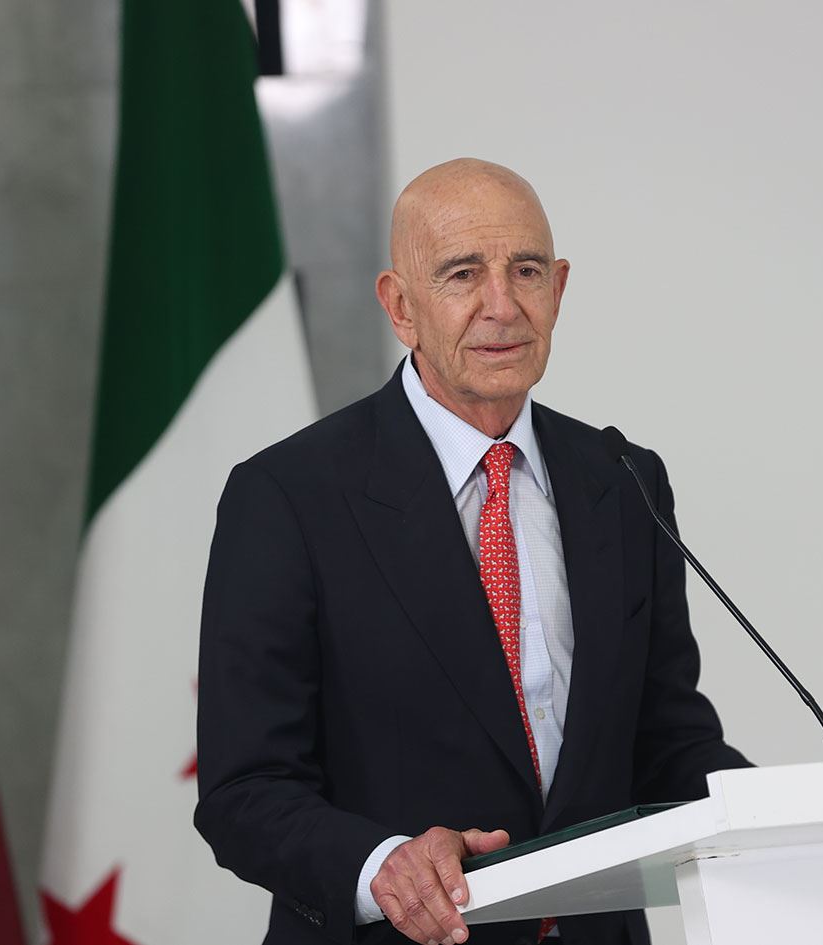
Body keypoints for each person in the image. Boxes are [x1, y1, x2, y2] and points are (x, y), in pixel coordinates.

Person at [194, 158, 751, 945]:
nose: (503, 305)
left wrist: (785, 816)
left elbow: (665, 740)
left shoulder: (624, 479)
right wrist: (381, 866)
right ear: (401, 305)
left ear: (559, 288)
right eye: (463, 274)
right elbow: (245, 788)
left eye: (526, 271)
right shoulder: (288, 496)